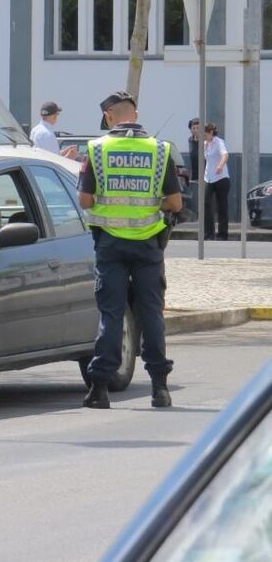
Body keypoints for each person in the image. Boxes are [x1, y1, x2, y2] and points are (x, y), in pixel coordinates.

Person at [77, 91, 182, 410]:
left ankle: (99, 389)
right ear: (134, 115)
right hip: (149, 245)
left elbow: (85, 201)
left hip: (110, 245)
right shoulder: (160, 150)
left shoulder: (96, 149)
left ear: (109, 116)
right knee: (151, 314)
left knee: (112, 314)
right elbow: (175, 202)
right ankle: (160, 388)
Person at [202, 123, 230, 241]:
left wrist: (220, 165)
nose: (203, 136)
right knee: (206, 203)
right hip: (209, 178)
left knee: (221, 206)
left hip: (221, 178)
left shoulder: (219, 142)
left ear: (211, 133)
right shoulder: (205, 144)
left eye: (205, 134)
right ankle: (209, 233)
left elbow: (225, 154)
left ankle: (222, 234)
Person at [187, 117, 200, 182]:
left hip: (206, 175)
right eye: (193, 128)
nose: (195, 130)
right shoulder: (190, 140)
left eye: (198, 128)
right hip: (194, 175)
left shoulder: (206, 140)